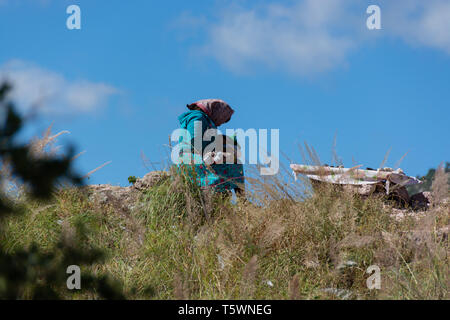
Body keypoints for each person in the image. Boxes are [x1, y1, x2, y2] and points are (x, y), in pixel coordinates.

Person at [176, 99, 244, 194]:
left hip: (201, 157)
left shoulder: (206, 120)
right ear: (218, 113)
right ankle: (242, 201)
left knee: (232, 160)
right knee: (236, 164)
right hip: (192, 160)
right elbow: (194, 142)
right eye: (222, 119)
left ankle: (238, 199)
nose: (220, 124)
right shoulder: (197, 117)